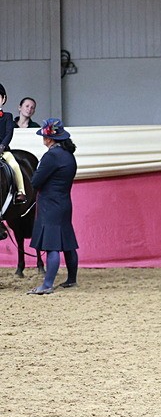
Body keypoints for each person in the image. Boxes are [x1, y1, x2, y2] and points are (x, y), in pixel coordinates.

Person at [28, 118, 79, 295]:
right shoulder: (68, 155)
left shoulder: (51, 156)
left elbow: (35, 181)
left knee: (52, 245)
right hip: (64, 202)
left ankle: (47, 284)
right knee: (67, 242)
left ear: (49, 139)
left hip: (50, 204)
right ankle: (72, 279)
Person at [0, 84, 29, 205]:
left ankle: (21, 191)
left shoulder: (7, 116)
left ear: (3, 99)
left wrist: (2, 146)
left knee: (14, 165)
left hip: (3, 150)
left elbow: (8, 133)